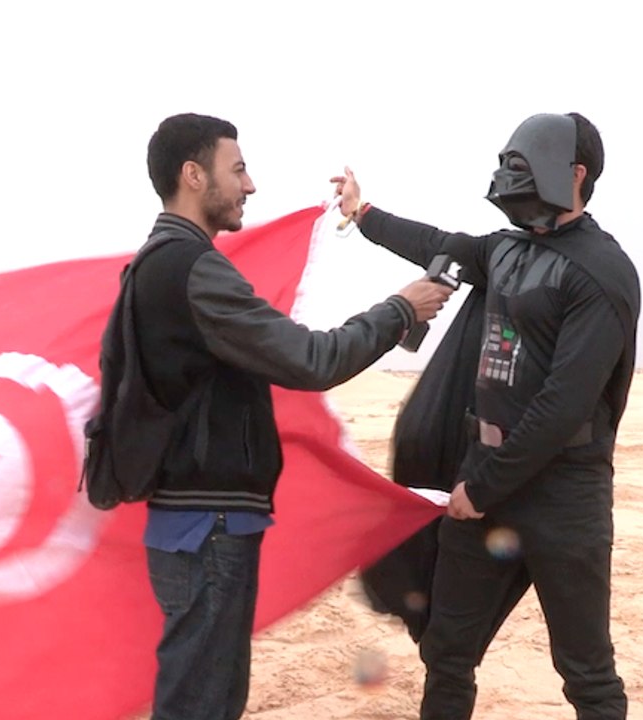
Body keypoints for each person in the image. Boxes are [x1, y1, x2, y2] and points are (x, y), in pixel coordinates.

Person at [126, 112, 454, 720]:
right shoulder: (191, 269)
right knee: (203, 700)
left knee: (202, 694)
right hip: (208, 524)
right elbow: (312, 358)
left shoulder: (153, 265)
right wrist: (400, 310)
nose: (250, 185)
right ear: (194, 176)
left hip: (190, 519)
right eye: (239, 168)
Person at [332, 112, 640, 720]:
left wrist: (481, 487)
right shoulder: (506, 251)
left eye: (521, 164)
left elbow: (564, 404)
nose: (507, 175)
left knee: (586, 672)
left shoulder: (602, 274)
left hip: (562, 494)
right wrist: (363, 215)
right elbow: (436, 245)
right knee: (447, 651)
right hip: (484, 483)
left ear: (575, 174)